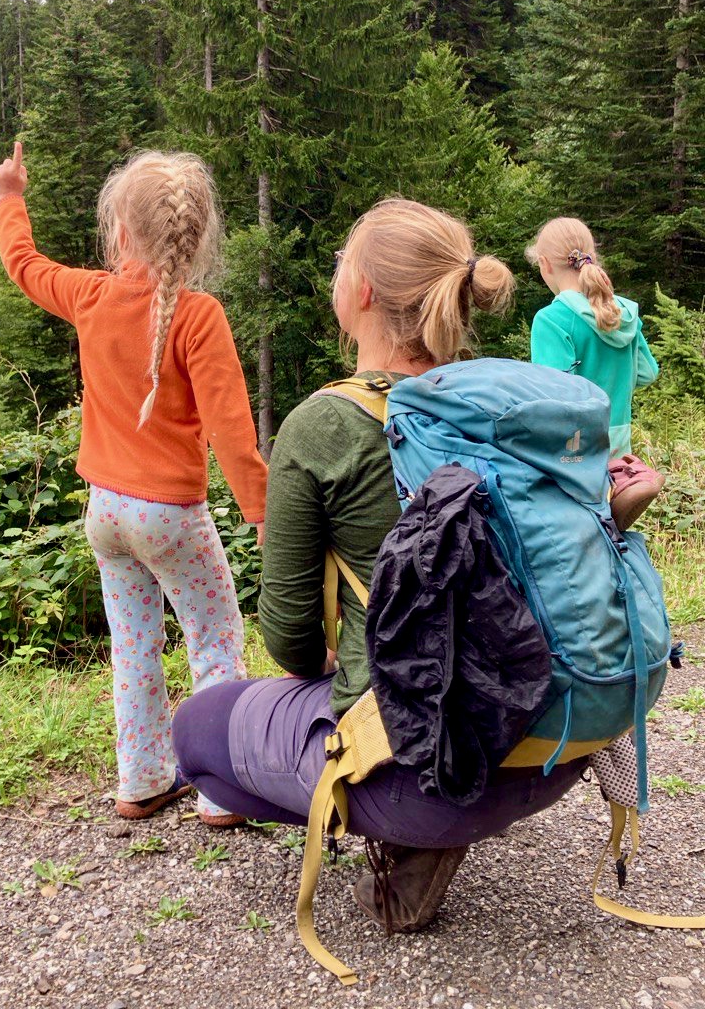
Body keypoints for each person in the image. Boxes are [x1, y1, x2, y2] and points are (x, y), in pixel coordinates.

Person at [173, 198, 588, 932]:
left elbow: (291, 640)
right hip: (555, 747)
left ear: (361, 290)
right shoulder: (502, 405)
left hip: (432, 778)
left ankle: (406, 829)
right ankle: (424, 816)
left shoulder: (323, 424)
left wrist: (350, 651)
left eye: (341, 261)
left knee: (198, 734)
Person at [0, 143, 267, 827]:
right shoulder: (199, 317)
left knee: (134, 642)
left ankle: (141, 780)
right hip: (171, 514)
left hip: (106, 511)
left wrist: (10, 197)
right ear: (196, 237)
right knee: (214, 635)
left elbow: (25, 267)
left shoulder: (89, 295)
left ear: (118, 230)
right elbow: (233, 434)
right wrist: (262, 513)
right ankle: (222, 787)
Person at [526, 217, 662, 527]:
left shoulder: (552, 319)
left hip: (572, 449)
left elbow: (552, 398)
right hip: (618, 445)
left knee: (577, 532)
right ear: (593, 257)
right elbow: (648, 372)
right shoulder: (624, 312)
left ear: (545, 264)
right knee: (612, 529)